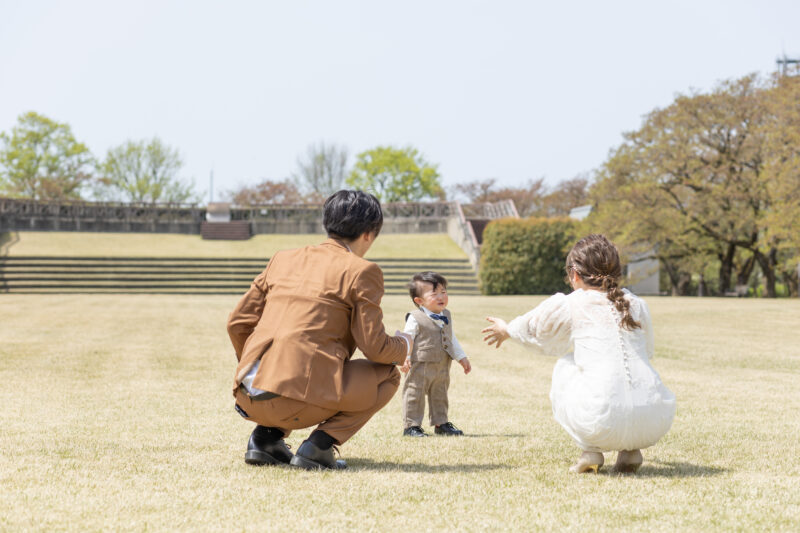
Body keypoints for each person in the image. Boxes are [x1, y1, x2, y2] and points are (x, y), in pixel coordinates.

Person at [227, 190, 412, 470]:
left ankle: (265, 440)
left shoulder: (283, 258)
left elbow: (237, 323)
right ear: (369, 234)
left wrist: (255, 366)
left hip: (247, 396)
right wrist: (404, 345)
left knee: (295, 372)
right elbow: (374, 347)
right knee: (388, 375)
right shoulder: (363, 270)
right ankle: (319, 446)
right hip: (298, 401)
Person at [481, 234, 675, 473]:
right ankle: (631, 452)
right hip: (653, 417)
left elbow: (534, 328)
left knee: (566, 364)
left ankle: (591, 450)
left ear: (574, 274)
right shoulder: (635, 304)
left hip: (600, 420)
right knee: (629, 372)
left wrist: (506, 329)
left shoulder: (573, 303)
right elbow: (648, 350)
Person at [400, 271, 471, 437]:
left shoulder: (446, 315)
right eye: (435, 294)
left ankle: (441, 423)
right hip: (420, 365)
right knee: (414, 393)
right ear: (419, 301)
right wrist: (404, 357)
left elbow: (451, 338)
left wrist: (461, 357)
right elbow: (407, 338)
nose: (441, 297)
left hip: (442, 364)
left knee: (440, 394)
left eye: (444, 292)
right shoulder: (416, 317)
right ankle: (411, 426)